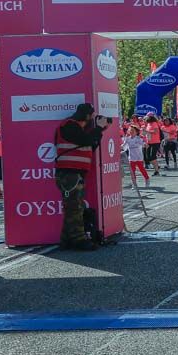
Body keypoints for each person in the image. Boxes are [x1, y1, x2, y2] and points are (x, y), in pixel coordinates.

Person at [54, 103, 112, 250]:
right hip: (69, 173)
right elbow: (85, 140)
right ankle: (78, 240)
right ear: (87, 116)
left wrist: (100, 131)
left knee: (74, 207)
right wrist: (98, 128)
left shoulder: (79, 129)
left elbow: (90, 145)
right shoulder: (69, 125)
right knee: (75, 208)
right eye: (92, 116)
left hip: (75, 173)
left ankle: (66, 239)